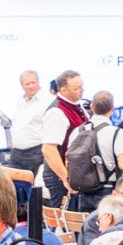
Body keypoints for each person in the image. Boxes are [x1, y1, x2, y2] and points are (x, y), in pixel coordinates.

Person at [66, 90, 123, 211]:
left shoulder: (77, 131)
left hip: (82, 192)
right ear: (112, 109)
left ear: (91, 107)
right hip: (108, 191)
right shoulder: (116, 132)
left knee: (87, 227)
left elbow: (68, 162)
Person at [38, 71, 88, 209]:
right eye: (76, 88)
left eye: (81, 85)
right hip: (60, 176)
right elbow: (48, 149)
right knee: (63, 221)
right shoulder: (57, 112)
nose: (81, 90)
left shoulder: (77, 106)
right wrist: (66, 179)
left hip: (73, 173)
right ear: (63, 90)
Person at [6, 71, 51, 179]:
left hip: (36, 151)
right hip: (17, 152)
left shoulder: (48, 100)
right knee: (14, 188)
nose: (31, 86)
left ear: (38, 82)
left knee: (34, 189)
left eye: (33, 82)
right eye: (27, 84)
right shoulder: (20, 101)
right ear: (22, 86)